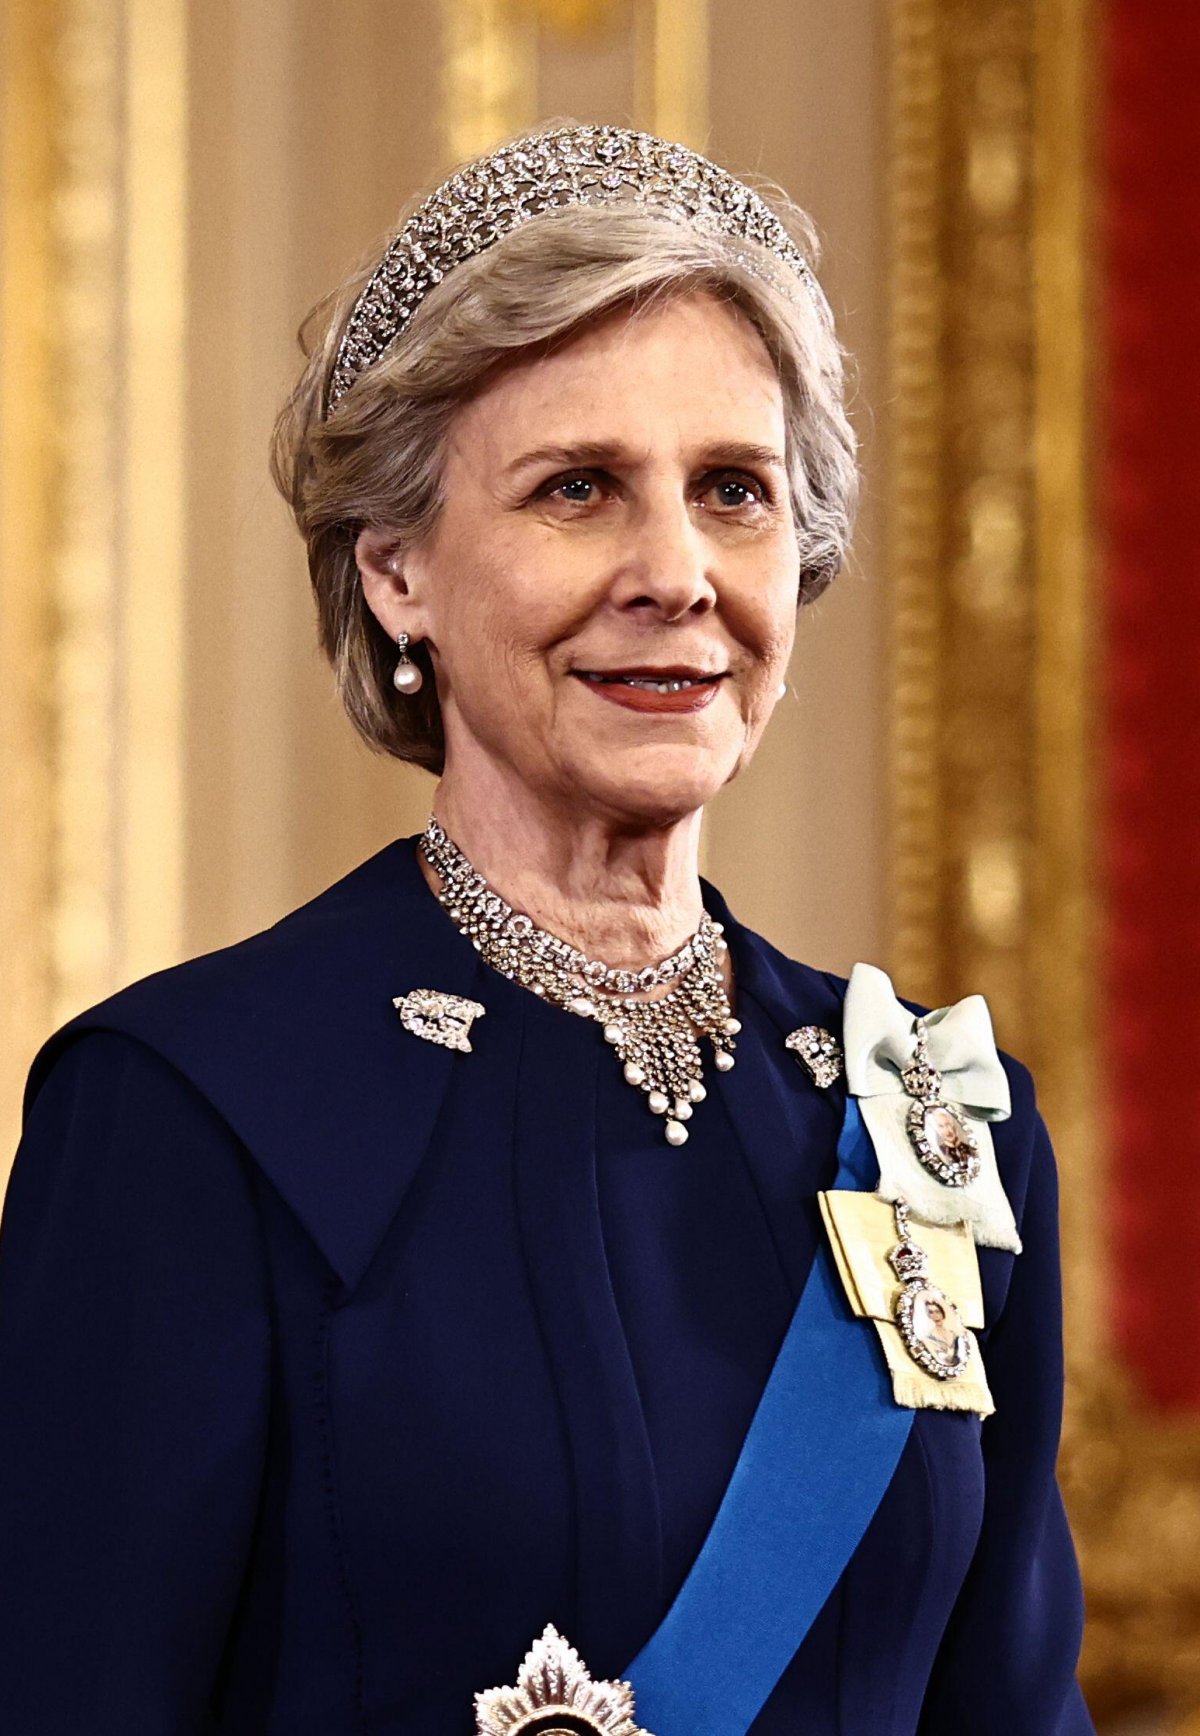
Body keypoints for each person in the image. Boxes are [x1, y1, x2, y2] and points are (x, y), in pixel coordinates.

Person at [0, 123, 1093, 1735]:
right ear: (397, 574)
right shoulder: (192, 1110)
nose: (675, 573)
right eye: (578, 490)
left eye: (734, 492)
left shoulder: (934, 1134)